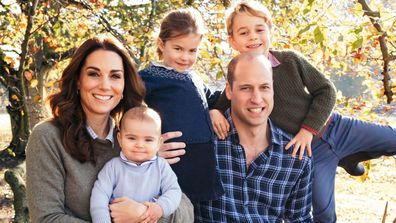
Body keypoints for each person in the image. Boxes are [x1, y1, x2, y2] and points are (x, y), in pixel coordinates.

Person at [209, 1, 396, 222]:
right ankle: (347, 159)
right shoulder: (240, 74)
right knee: (324, 215)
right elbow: (224, 101)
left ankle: (350, 156)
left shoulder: (289, 60)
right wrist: (214, 112)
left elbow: (326, 90)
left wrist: (308, 130)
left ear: (270, 31)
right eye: (244, 32)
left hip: (335, 127)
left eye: (259, 29)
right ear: (232, 41)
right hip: (310, 152)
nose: (253, 37)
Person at [26, 35, 194, 223]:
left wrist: (144, 212)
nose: (105, 85)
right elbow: (46, 218)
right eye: (93, 74)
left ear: (124, 85)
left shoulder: (136, 139)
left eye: (115, 76)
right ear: (78, 80)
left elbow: (186, 210)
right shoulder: (48, 137)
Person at [195, 53, 313, 222]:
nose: (256, 99)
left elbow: (300, 220)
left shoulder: (296, 156)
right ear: (229, 90)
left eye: (264, 87)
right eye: (246, 88)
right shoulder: (202, 143)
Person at [139, 8, 224, 206]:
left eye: (192, 50)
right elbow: (126, 110)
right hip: (176, 164)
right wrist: (149, 147)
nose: (185, 57)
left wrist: (216, 109)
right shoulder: (150, 77)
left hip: (202, 165)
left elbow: (212, 99)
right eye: (178, 49)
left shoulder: (194, 77)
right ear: (162, 44)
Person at [90, 106, 182, 223]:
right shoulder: (113, 167)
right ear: (120, 139)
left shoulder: (161, 166)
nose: (139, 145)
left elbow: (173, 191)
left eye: (148, 140)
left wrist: (160, 208)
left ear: (159, 143)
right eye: (132, 138)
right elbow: (99, 197)